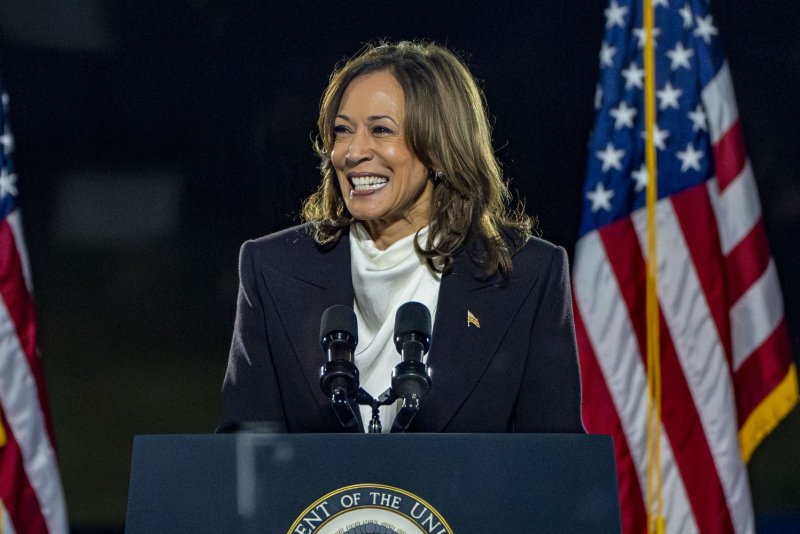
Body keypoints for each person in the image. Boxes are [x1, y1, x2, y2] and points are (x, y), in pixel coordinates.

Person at [220, 40, 583, 433]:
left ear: (440, 148)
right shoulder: (271, 268)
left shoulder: (528, 274)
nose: (353, 151)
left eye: (381, 130)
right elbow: (243, 458)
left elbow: (553, 467)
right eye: (343, 131)